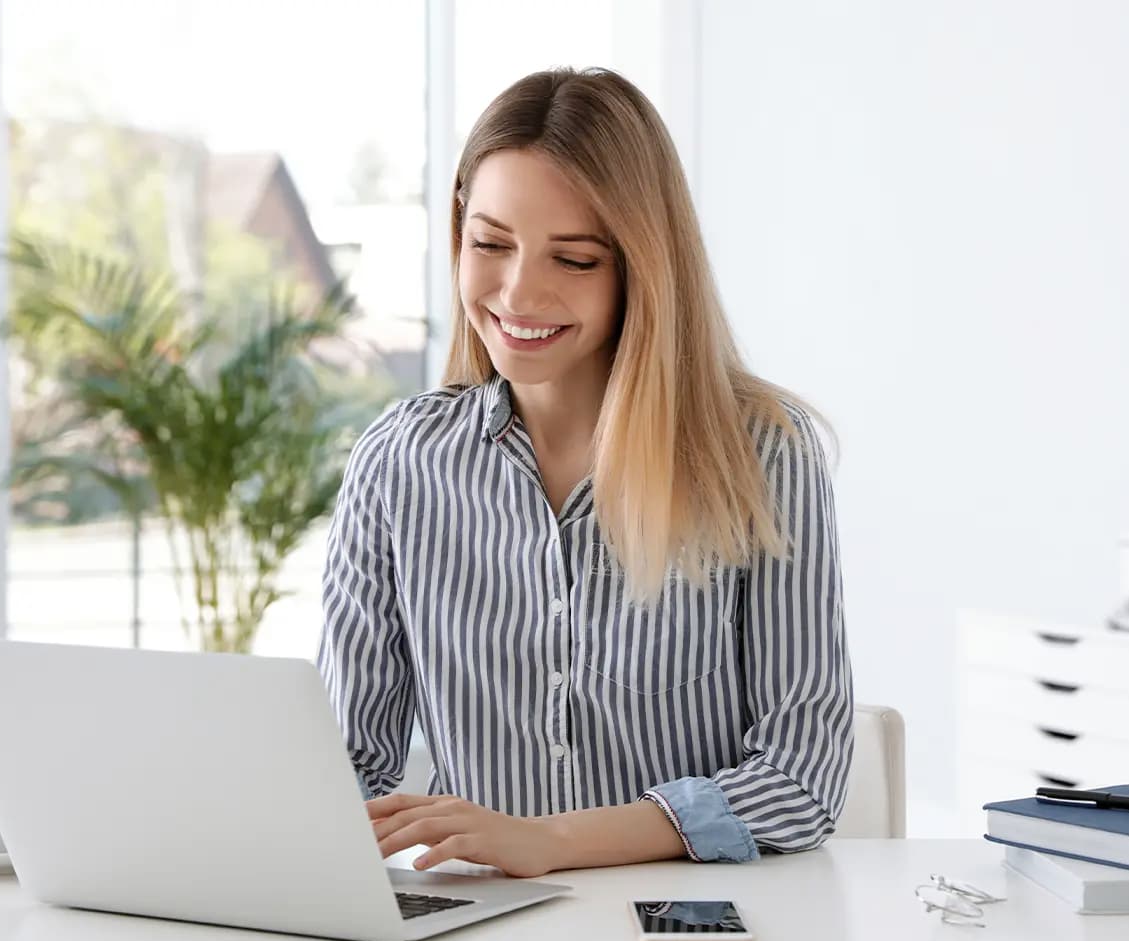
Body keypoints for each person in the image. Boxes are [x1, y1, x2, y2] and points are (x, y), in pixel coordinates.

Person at [317, 67, 853, 878]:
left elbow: (800, 779)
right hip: (483, 935)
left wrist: (553, 842)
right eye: (491, 244)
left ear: (642, 268)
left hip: (689, 938)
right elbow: (346, 764)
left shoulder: (763, 453)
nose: (518, 293)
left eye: (573, 259)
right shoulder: (399, 463)